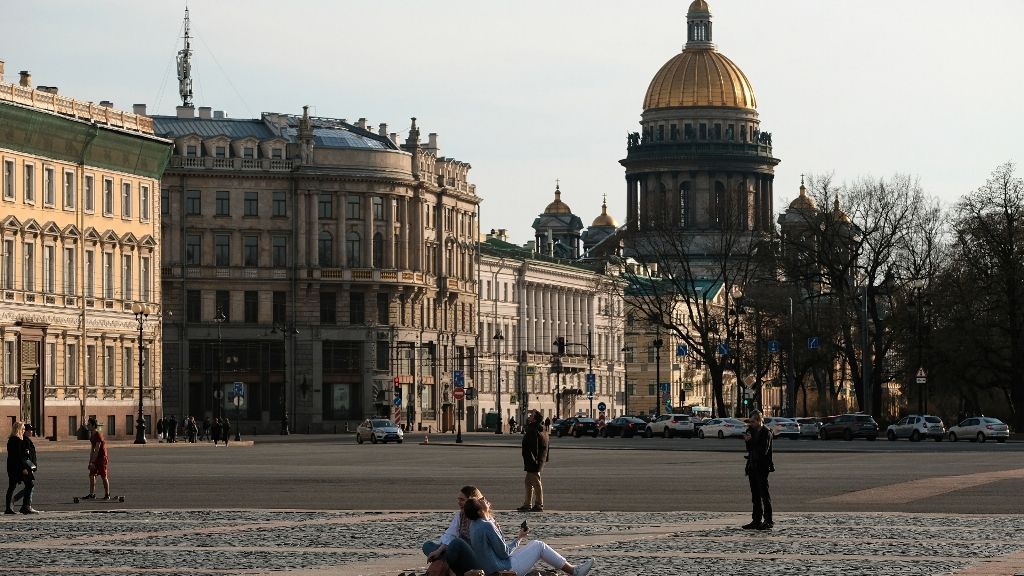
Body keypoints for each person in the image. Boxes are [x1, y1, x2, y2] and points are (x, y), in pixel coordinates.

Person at [464, 497, 593, 576]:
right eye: (481, 501)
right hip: (502, 569)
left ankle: (571, 571)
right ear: (480, 511)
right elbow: (504, 553)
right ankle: (574, 571)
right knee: (539, 546)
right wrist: (519, 538)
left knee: (535, 545)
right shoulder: (487, 525)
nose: (484, 499)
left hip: (490, 568)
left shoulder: (475, 525)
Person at [422, 486, 485, 576]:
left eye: (462, 500)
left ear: (472, 501)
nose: (459, 503)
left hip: (474, 559)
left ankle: (446, 568)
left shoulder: (482, 519)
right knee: (427, 545)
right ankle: (446, 564)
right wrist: (439, 551)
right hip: (456, 555)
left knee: (457, 543)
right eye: (458, 499)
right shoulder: (460, 515)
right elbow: (450, 535)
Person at [743, 411, 774, 530]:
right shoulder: (751, 431)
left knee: (764, 494)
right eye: (750, 421)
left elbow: (763, 451)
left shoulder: (766, 432)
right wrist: (748, 441)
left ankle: (768, 520)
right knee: (755, 495)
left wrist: (750, 441)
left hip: (762, 466)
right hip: (752, 465)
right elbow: (750, 449)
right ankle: (756, 520)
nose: (751, 424)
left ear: (759, 420)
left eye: (753, 421)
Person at [517, 410, 548, 512]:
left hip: (532, 461)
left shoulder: (533, 429)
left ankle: (539, 504)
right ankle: (527, 504)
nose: (529, 416)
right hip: (536, 460)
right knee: (528, 482)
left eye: (531, 415)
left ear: (534, 418)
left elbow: (534, 447)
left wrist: (534, 460)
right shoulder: (542, 429)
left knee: (536, 482)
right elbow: (546, 446)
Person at [6, 421, 39, 514]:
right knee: (29, 485)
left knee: (12, 486)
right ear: (19, 429)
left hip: (14, 467)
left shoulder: (13, 440)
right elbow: (20, 457)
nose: (24, 430)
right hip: (18, 467)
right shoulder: (17, 440)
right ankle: (24, 506)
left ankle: (11, 508)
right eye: (23, 429)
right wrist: (24, 468)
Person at [84, 416, 111, 500]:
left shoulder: (98, 435)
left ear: (93, 426)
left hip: (102, 458)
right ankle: (92, 494)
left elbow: (97, 449)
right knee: (92, 475)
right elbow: (92, 450)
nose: (87, 426)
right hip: (95, 458)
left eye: (89, 424)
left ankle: (107, 494)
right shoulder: (91, 435)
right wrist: (90, 462)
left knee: (103, 476)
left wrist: (93, 461)